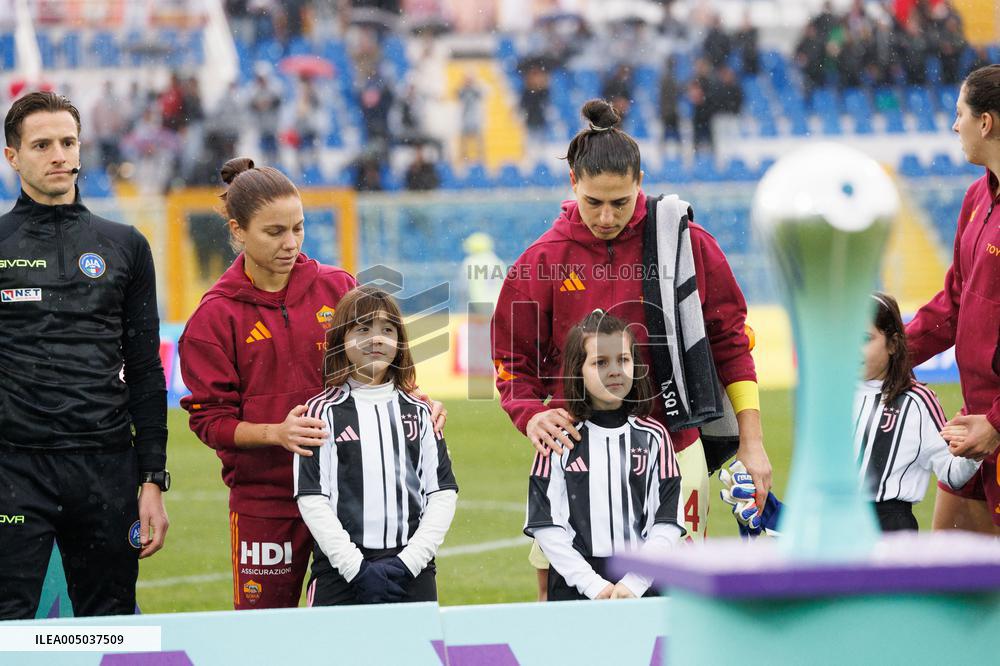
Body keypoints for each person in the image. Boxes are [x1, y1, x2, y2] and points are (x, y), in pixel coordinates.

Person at [492, 99, 770, 595]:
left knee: (679, 602)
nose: (605, 216)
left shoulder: (686, 244)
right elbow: (511, 360)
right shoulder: (540, 261)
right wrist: (529, 413)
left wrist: (751, 443)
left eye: (619, 202)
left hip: (674, 444)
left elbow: (731, 342)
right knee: (566, 606)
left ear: (640, 180)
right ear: (572, 182)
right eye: (593, 201)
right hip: (573, 454)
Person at [179, 158, 448, 609]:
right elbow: (210, 422)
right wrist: (276, 434)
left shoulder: (337, 288)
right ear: (237, 230)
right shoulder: (214, 317)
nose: (291, 244)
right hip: (268, 501)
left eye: (298, 228)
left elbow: (377, 366)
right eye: (274, 232)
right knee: (266, 636)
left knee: (358, 636)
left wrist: (414, 400)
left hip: (352, 498)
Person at [0, 91, 169, 619]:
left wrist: (153, 480)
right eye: (42, 144)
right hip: (13, 471)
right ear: (13, 155)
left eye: (68, 142)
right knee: (8, 623)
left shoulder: (126, 245)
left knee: (110, 624)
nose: (58, 154)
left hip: (106, 468)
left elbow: (145, 370)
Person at [294, 286, 458, 605]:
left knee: (414, 656)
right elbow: (313, 499)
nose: (376, 338)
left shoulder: (421, 411)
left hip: (412, 570)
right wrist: (356, 569)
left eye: (387, 329)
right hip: (340, 571)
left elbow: (442, 492)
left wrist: (408, 563)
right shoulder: (320, 412)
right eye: (363, 329)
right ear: (342, 337)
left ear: (400, 342)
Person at [525, 311, 684, 601]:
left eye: (623, 360)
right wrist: (591, 584)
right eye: (600, 362)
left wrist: (635, 583)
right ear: (577, 370)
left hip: (644, 584)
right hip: (575, 586)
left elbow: (668, 521)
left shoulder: (655, 437)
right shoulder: (559, 438)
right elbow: (545, 525)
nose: (615, 371)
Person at [906, 65, 1000, 535]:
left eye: (959, 113)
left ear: (986, 122)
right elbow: (954, 302)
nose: (953, 124)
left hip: (993, 424)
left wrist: (998, 423)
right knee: (943, 585)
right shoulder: (975, 197)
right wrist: (892, 353)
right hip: (974, 426)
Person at [855, 293, 980, 531]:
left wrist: (971, 449)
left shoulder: (917, 401)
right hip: (837, 524)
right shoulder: (834, 396)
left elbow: (952, 473)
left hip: (890, 526)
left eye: (864, 338)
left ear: (893, 344)